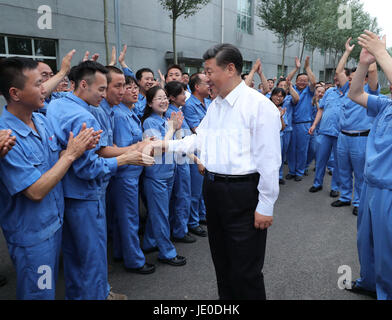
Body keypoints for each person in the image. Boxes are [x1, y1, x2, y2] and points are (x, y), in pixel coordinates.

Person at [153, 43, 281, 300]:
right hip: (213, 189)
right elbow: (199, 140)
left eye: (210, 72)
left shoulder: (258, 106)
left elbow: (269, 159)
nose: (205, 78)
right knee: (222, 264)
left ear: (230, 69)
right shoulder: (216, 105)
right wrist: (163, 145)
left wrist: (266, 204)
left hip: (243, 193)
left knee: (246, 270)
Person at [46, 60, 155, 300]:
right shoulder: (86, 116)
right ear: (83, 84)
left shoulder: (57, 104)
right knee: (92, 256)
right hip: (85, 195)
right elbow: (90, 168)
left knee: (76, 254)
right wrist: (125, 158)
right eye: (102, 89)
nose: (105, 95)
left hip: (66, 193)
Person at [0, 57, 100, 299]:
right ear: (15, 93)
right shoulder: (7, 138)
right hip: (33, 235)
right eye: (38, 83)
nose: (45, 88)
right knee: (39, 293)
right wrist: (71, 155)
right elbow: (35, 191)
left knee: (49, 289)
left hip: (54, 223)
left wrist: (79, 147)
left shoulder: (41, 121)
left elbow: (54, 160)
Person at [345, 30, 391, 300]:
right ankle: (369, 282)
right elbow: (354, 93)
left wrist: (382, 53)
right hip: (371, 185)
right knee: (367, 242)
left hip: (389, 191)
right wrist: (364, 62)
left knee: (388, 249)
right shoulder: (385, 105)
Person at [109, 76, 156, 274]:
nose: (134, 91)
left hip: (131, 173)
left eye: (135, 88)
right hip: (125, 173)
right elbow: (121, 149)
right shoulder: (120, 115)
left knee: (124, 217)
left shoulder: (128, 112)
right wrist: (142, 146)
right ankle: (135, 260)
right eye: (128, 88)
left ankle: (122, 252)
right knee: (129, 218)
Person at [331, 37, 379, 216]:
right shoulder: (347, 92)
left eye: (355, 78)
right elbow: (338, 71)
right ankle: (345, 197)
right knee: (343, 169)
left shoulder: (370, 93)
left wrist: (370, 52)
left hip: (361, 138)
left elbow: (372, 70)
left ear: (364, 79)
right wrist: (347, 52)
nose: (351, 81)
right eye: (350, 79)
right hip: (343, 137)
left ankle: (359, 201)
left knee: (360, 172)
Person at [141, 86, 187, 266]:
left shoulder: (163, 120)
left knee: (159, 212)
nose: (163, 101)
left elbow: (176, 144)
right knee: (161, 214)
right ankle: (167, 253)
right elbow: (159, 149)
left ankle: (150, 242)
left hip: (168, 172)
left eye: (165, 97)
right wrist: (171, 129)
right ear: (149, 102)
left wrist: (176, 129)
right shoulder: (150, 122)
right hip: (156, 175)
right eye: (158, 98)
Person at [165, 81, 196, 244]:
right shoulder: (172, 114)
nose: (185, 96)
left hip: (183, 159)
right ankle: (180, 230)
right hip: (179, 159)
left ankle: (179, 228)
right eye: (182, 93)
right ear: (172, 97)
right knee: (182, 195)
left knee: (183, 195)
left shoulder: (177, 111)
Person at [182, 73, 211, 236]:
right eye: (206, 83)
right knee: (194, 189)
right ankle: (192, 222)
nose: (210, 85)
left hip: (207, 149)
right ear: (197, 87)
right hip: (196, 151)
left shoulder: (207, 102)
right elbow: (198, 129)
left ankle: (201, 215)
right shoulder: (189, 105)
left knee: (202, 188)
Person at [308, 76, 343, 197]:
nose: (336, 79)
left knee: (338, 163)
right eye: (336, 77)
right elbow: (320, 110)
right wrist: (314, 125)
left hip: (340, 133)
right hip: (325, 131)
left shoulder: (351, 93)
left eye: (340, 76)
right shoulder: (329, 92)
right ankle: (317, 183)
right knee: (320, 159)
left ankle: (335, 187)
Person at [285, 56, 317, 182]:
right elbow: (287, 80)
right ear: (296, 81)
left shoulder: (309, 92)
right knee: (291, 149)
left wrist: (307, 68)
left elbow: (314, 82)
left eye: (305, 80)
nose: (302, 82)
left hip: (304, 124)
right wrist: (296, 68)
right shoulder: (291, 91)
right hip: (292, 124)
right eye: (300, 80)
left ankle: (300, 171)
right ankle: (292, 171)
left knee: (302, 149)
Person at [275, 78, 300, 184]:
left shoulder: (289, 98)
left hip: (287, 129)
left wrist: (290, 86)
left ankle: (279, 175)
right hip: (274, 130)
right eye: (281, 85)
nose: (283, 88)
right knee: (274, 154)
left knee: (282, 153)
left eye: (285, 86)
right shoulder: (272, 99)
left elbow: (297, 99)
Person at [305, 84, 325, 174]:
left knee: (317, 149)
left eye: (323, 92)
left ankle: (317, 166)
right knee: (310, 148)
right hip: (310, 127)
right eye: (318, 91)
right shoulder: (309, 100)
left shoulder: (324, 102)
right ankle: (305, 166)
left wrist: (317, 102)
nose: (320, 93)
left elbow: (320, 112)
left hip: (320, 129)